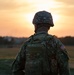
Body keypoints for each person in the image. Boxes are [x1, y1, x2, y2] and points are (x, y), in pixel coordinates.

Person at [12, 10, 70, 75]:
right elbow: (64, 69)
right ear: (49, 26)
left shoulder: (28, 43)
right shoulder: (55, 42)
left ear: (36, 25)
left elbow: (16, 69)